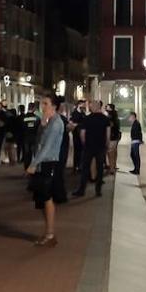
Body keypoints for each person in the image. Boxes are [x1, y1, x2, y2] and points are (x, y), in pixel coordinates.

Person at [26, 94, 66, 246]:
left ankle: (50, 233)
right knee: (43, 198)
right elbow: (39, 142)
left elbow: (47, 147)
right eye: (42, 103)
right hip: (44, 163)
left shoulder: (56, 123)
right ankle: (48, 232)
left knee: (47, 197)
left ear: (54, 106)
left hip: (48, 163)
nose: (43, 107)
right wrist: (42, 124)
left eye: (46, 104)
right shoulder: (49, 122)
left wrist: (34, 164)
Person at [74, 101, 111, 197]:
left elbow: (82, 133)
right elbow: (108, 134)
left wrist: (84, 143)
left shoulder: (87, 118)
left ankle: (82, 190)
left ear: (94, 107)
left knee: (85, 168)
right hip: (100, 147)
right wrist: (106, 145)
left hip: (88, 147)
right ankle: (98, 190)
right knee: (99, 169)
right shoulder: (105, 119)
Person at [106, 103, 121, 175]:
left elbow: (110, 126)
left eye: (107, 107)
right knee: (114, 152)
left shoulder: (110, 116)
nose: (106, 108)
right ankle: (114, 166)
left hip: (112, 137)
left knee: (110, 153)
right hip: (116, 137)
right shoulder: (115, 116)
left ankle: (111, 169)